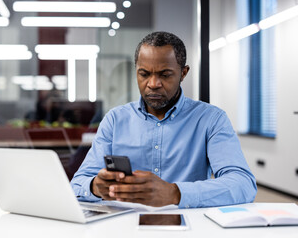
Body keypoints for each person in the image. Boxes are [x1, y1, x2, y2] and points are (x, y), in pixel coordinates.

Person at [70, 31, 257, 208]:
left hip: (187, 223)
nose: (153, 84)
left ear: (183, 73)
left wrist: (175, 193)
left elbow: (243, 184)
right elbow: (78, 184)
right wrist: (95, 186)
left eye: (165, 75)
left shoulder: (211, 119)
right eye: (144, 74)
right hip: (123, 223)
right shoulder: (115, 120)